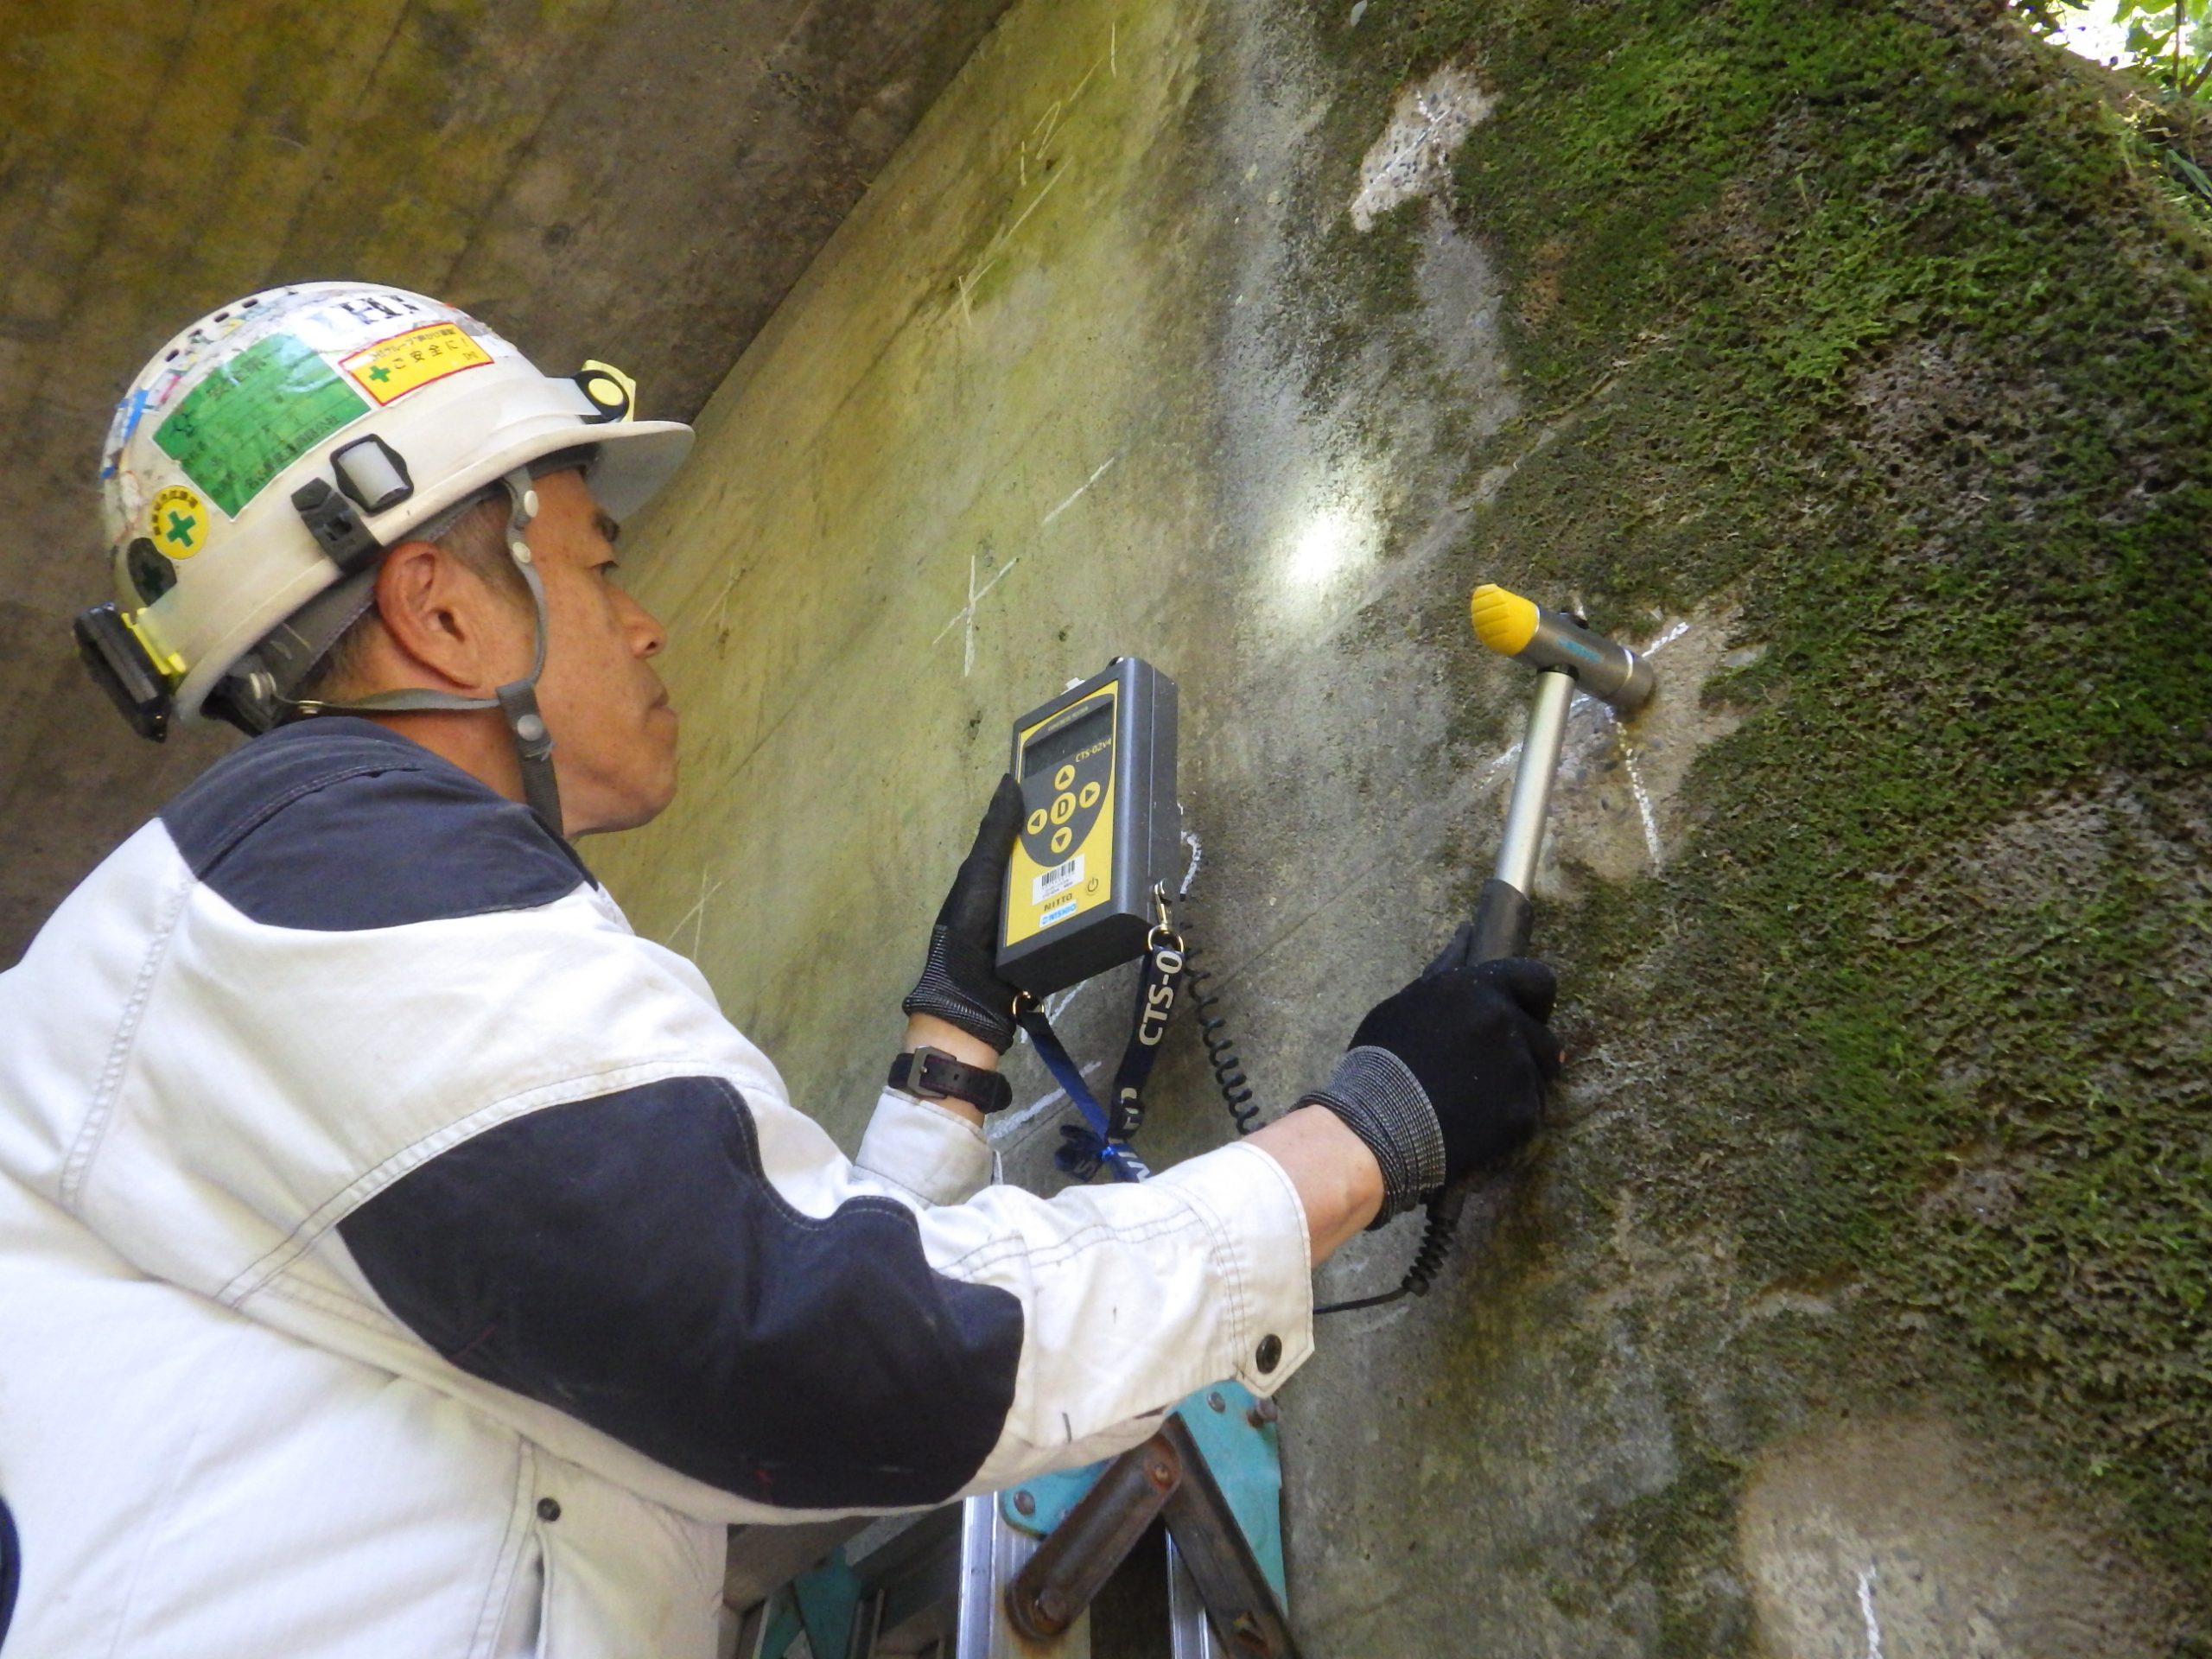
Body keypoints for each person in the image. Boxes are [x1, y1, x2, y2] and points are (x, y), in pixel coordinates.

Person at [0, 283, 1563, 1657]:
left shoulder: (278, 933)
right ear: (447, 609)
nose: (648, 623)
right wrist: (1350, 1149)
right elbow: (807, 1365)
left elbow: (697, 1455)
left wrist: (953, 1042)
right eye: (601, 564)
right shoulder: (320, 863)